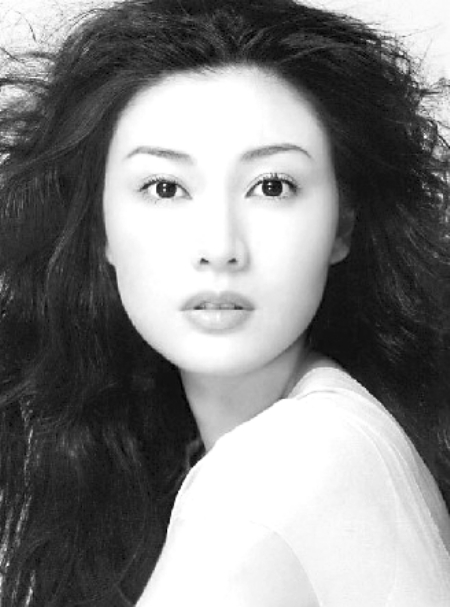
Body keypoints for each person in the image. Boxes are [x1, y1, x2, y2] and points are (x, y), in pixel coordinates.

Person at [0, 0, 449, 604]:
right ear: (99, 226)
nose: (220, 247)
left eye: (272, 186)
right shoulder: (341, 427)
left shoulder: (268, 480)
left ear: (342, 225)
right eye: (165, 188)